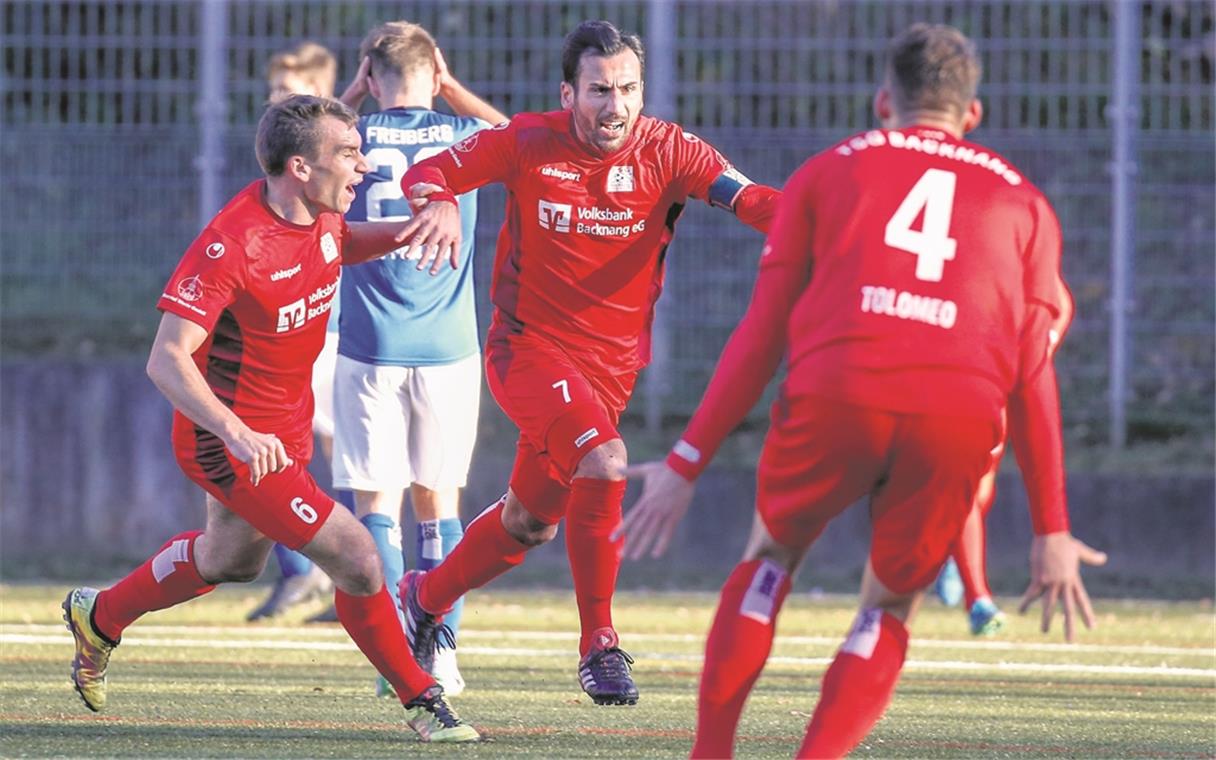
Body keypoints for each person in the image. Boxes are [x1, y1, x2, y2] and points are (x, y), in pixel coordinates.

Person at [615, 23, 1097, 757]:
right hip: (958, 413)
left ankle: (711, 751)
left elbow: (762, 333)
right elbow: (1034, 374)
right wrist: (1050, 528)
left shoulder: (827, 172)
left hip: (840, 390)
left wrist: (685, 462)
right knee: (890, 603)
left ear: (883, 102)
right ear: (973, 116)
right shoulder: (1025, 204)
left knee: (770, 558)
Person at [62, 95, 480, 743]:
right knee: (359, 559)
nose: (362, 165)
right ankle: (425, 700)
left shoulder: (322, 217)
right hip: (228, 442)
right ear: (300, 167)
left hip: (279, 433)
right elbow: (166, 360)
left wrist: (409, 230)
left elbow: (343, 244)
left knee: (231, 560)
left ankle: (100, 615)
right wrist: (234, 431)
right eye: (347, 153)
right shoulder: (234, 243)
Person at [390, 19, 780, 706]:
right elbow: (428, 172)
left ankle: (425, 598)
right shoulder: (527, 142)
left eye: (628, 88)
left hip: (610, 372)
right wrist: (440, 203)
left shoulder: (670, 150)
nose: (616, 105)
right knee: (604, 462)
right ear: (567, 92)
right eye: (599, 90)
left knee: (528, 523)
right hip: (527, 349)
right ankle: (599, 643)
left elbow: (750, 202)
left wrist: (829, 219)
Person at [333, 21, 508, 697]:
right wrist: (454, 89)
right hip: (448, 348)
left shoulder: (354, 138)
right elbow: (526, 136)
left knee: (378, 504)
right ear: (435, 74)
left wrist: (352, 94)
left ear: (372, 77)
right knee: (440, 505)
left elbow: (292, 140)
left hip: (368, 345)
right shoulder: (462, 135)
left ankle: (393, 660)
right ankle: (442, 654)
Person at [938, 278, 1108, 637]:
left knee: (980, 491)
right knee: (966, 487)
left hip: (1002, 385)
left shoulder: (1052, 302)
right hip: (961, 381)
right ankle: (977, 596)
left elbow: (1032, 371)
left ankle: (951, 553)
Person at [246, 40, 347, 622]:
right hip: (280, 338)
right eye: (272, 91)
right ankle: (303, 573)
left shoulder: (336, 162)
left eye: (284, 93)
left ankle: (344, 572)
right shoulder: (285, 160)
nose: (272, 102)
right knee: (278, 455)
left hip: (325, 335)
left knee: (342, 457)